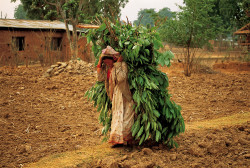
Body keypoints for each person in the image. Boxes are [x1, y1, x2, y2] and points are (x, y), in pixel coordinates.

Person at [96, 46, 134, 147]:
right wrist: (100, 62)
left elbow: (121, 78)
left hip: (124, 94)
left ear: (113, 59)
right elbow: (100, 78)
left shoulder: (122, 65)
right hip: (115, 96)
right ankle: (118, 140)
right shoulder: (107, 68)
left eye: (108, 62)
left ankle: (125, 139)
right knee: (117, 116)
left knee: (126, 116)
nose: (107, 64)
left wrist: (117, 64)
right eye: (105, 63)